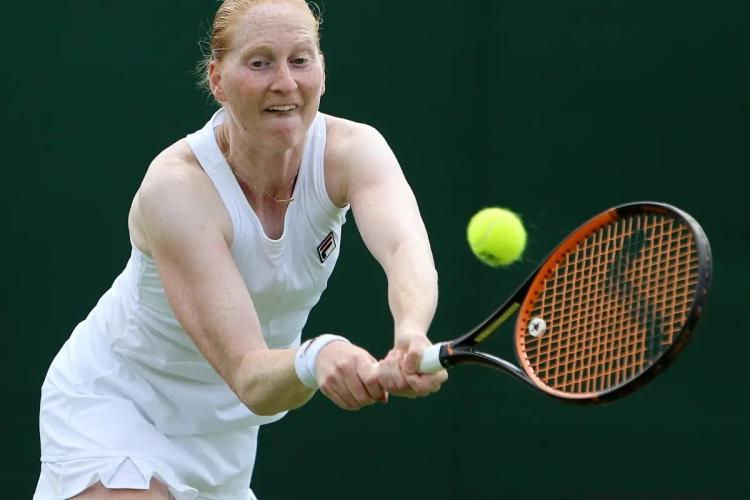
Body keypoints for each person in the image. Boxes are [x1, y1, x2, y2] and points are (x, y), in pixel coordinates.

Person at [34, 0, 448, 498]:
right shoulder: (177, 188)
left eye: (301, 59)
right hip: (120, 402)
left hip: (226, 435)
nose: (285, 83)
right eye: (259, 62)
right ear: (217, 80)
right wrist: (319, 355)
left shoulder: (353, 150)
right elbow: (250, 374)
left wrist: (410, 333)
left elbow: (405, 245)